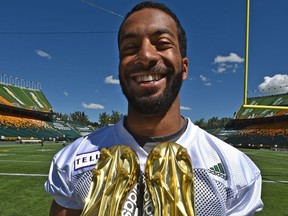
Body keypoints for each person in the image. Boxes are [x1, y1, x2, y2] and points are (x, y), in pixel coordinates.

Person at [45, 1, 263, 215]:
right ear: (120, 67)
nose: (146, 55)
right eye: (130, 48)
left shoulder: (236, 169)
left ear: (184, 68)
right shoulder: (72, 160)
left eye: (162, 43)